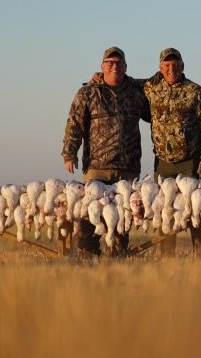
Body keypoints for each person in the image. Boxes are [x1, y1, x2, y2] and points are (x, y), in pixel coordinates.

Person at [61, 46, 151, 256]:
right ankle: (87, 254)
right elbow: (74, 123)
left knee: (122, 216)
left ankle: (117, 254)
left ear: (126, 67)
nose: (114, 67)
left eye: (119, 63)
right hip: (97, 166)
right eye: (110, 63)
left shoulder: (137, 91)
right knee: (90, 214)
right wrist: (69, 153)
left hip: (127, 166)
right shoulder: (88, 92)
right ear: (102, 67)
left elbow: (159, 87)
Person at [143, 48, 201, 256]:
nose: (171, 68)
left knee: (194, 206)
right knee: (165, 206)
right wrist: (99, 77)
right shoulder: (150, 88)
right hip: (163, 162)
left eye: (175, 65)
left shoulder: (194, 91)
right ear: (160, 68)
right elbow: (126, 82)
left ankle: (200, 253)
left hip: (190, 161)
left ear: (183, 66)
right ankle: (167, 255)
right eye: (166, 65)